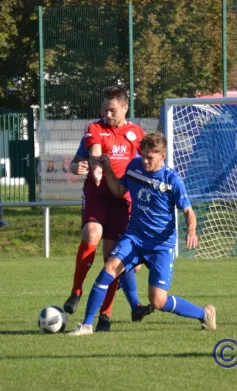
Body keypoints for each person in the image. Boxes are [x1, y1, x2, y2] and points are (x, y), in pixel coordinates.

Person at [68, 132, 216, 336]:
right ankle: (86, 325)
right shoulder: (134, 167)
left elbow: (188, 211)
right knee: (108, 269)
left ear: (162, 156)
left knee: (158, 301)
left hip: (160, 246)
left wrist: (191, 230)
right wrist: (109, 170)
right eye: (143, 155)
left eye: (150, 158)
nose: (144, 161)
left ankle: (204, 314)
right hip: (134, 238)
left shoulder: (172, 179)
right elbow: (119, 191)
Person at [62, 85, 150, 332]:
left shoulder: (136, 133)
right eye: (104, 109)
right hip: (97, 195)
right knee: (91, 234)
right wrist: (89, 168)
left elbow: (148, 163)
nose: (107, 114)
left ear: (125, 107)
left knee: (113, 258)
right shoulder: (95, 128)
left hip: (123, 200)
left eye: (112, 110)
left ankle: (106, 315)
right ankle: (76, 291)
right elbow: (90, 155)